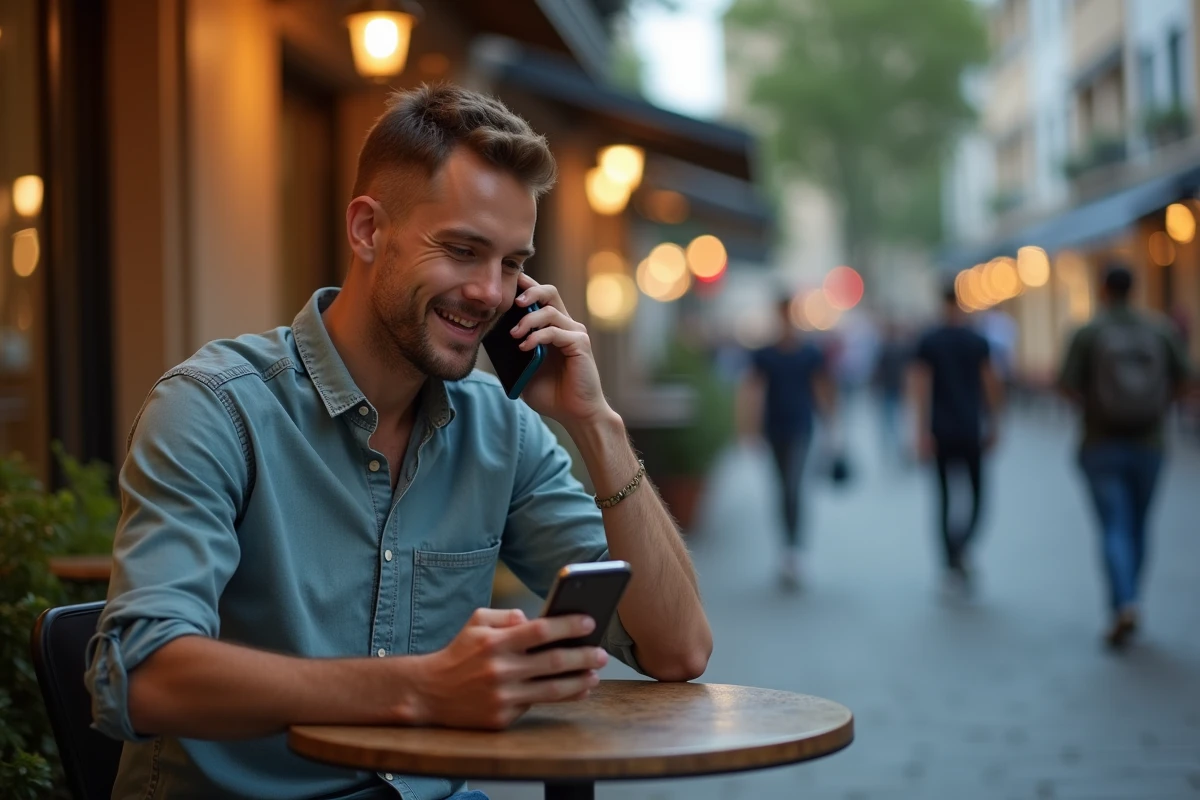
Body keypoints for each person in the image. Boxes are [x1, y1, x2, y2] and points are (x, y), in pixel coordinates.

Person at [85, 85, 712, 800]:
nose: (489, 292)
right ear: (366, 230)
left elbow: (678, 649)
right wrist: (424, 688)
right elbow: (142, 677)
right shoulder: (214, 410)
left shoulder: (500, 428)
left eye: (511, 263)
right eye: (461, 249)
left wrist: (597, 424)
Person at [1058, 264, 1189, 649]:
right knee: (1138, 525)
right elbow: (1186, 378)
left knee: (1113, 525)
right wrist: (1156, 407)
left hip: (1100, 443)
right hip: (1149, 443)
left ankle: (1123, 602)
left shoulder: (1089, 333)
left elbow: (1066, 385)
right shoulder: (1160, 329)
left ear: (1102, 290)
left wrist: (1095, 406)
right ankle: (1134, 599)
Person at [909, 283, 1002, 595]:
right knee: (977, 496)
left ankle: (951, 557)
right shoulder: (977, 341)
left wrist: (921, 431)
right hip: (970, 428)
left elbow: (920, 388)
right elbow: (991, 384)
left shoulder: (930, 341)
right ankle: (961, 549)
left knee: (945, 497)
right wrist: (995, 423)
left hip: (940, 429)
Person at [737, 296, 836, 588]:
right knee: (782, 488)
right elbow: (752, 391)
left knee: (793, 485)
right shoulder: (765, 354)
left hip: (801, 428)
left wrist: (831, 427)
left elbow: (822, 388)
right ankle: (787, 548)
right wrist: (749, 429)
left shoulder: (809, 353)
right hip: (774, 429)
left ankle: (794, 550)